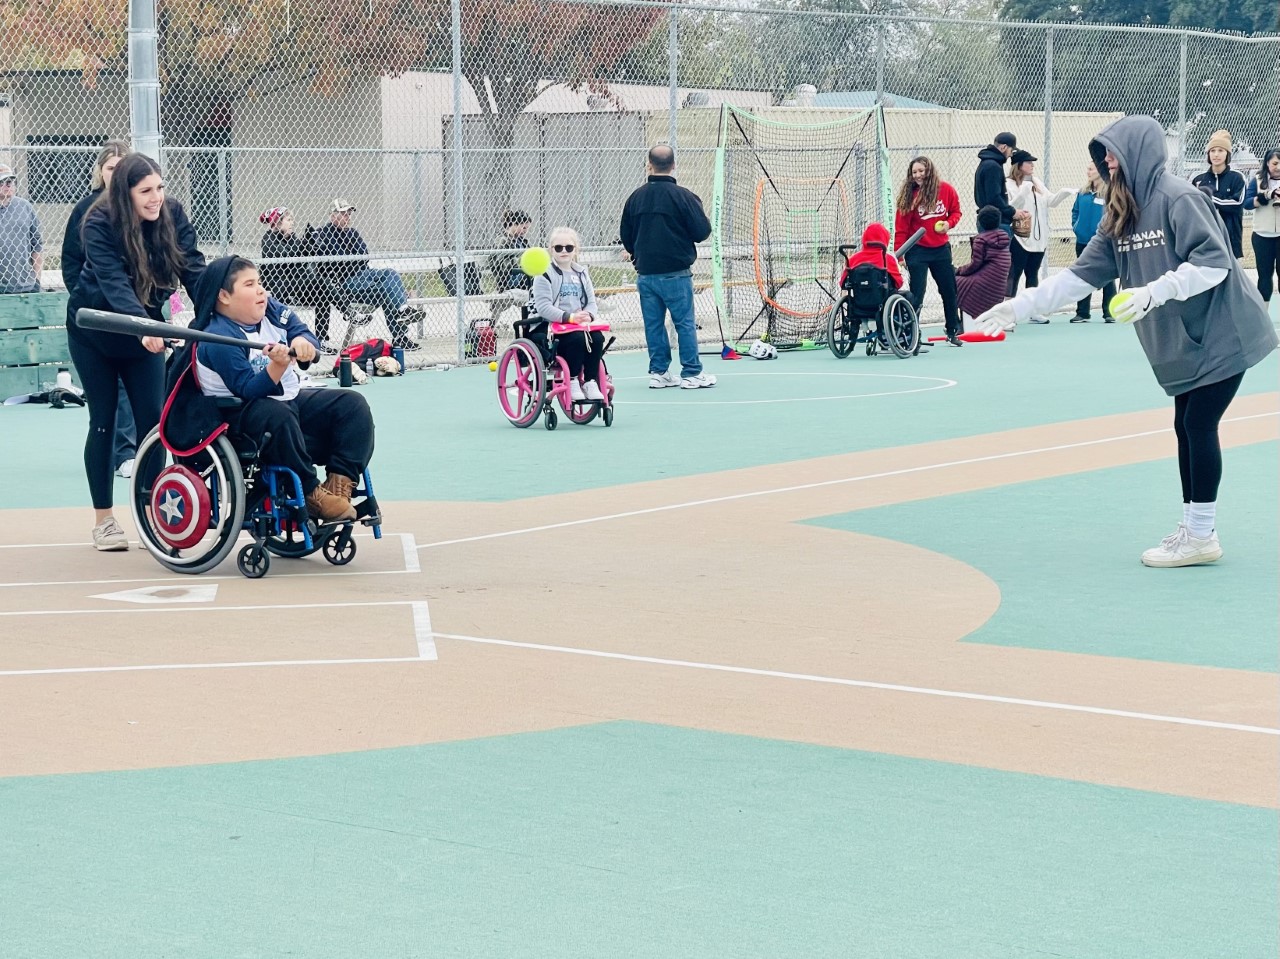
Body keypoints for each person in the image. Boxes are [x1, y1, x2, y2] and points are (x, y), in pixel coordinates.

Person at [976, 115, 1277, 568]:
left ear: (1140, 150)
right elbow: (1077, 278)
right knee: (1185, 425)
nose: (1107, 161)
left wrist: (1155, 290)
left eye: (1113, 151)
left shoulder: (1180, 197)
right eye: (1103, 154)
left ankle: (1201, 535)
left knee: (1197, 424)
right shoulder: (1120, 212)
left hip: (1224, 332)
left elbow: (1214, 263)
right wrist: (1016, 307)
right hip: (1185, 343)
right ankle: (1196, 528)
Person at [66, 153, 207, 551]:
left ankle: (149, 516)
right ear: (125, 194)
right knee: (104, 421)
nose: (156, 197)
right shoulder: (98, 221)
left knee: (153, 424)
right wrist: (141, 324)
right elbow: (113, 283)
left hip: (144, 331)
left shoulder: (172, 215)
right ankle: (104, 521)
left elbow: (193, 269)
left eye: (160, 188)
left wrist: (214, 314)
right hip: (96, 331)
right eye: (145, 191)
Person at [192, 256, 373, 522]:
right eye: (250, 284)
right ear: (224, 296)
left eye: (260, 282)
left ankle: (338, 486)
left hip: (286, 402)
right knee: (277, 414)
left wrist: (302, 341)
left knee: (352, 404)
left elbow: (300, 330)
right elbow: (247, 390)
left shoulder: (271, 308)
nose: (260, 290)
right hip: (236, 417)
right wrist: (277, 367)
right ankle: (311, 493)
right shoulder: (218, 337)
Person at [61, 139, 138, 478]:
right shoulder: (87, 209)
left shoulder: (142, 210)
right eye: (110, 168)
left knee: (137, 388)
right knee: (109, 392)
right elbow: (71, 262)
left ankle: (135, 452)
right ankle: (117, 453)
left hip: (136, 313)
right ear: (101, 172)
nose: (116, 174)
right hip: (98, 318)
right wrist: (88, 297)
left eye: (123, 168)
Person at [620, 144, 716, 390]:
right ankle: (692, 372)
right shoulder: (685, 197)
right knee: (684, 322)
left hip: (646, 273)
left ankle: (659, 372)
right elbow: (702, 231)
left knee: (654, 324)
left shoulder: (635, 197)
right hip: (676, 273)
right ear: (674, 165)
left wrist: (636, 254)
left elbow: (626, 235)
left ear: (648, 164)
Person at [309, 198, 418, 351]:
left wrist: (349, 257)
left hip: (363, 275)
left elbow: (363, 254)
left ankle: (401, 328)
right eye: (343, 214)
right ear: (333, 216)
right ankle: (402, 313)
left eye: (349, 214)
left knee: (390, 276)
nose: (348, 217)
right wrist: (350, 257)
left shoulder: (353, 233)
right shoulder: (323, 234)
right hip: (345, 282)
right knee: (387, 286)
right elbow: (337, 259)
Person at [530, 227, 606, 403]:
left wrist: (588, 315)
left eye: (568, 247)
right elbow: (543, 307)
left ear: (576, 249)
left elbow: (591, 303)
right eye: (558, 247)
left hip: (579, 324)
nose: (564, 251)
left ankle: (589, 381)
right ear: (551, 250)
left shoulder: (581, 272)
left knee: (598, 338)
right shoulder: (544, 274)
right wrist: (570, 317)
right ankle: (571, 380)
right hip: (551, 327)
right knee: (577, 339)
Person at [894, 156, 963, 346]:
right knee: (917, 293)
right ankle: (912, 334)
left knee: (949, 290)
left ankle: (952, 330)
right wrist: (899, 255)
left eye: (921, 171)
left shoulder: (946, 190)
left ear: (929, 171)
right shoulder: (909, 196)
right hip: (917, 250)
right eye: (914, 172)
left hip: (941, 249)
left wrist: (948, 224)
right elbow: (901, 228)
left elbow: (956, 212)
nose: (918, 175)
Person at [1005, 149, 1076, 322]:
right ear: (1019, 165)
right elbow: (1011, 207)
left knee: (1033, 272)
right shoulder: (1009, 184)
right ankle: (1008, 311)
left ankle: (1032, 310)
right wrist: (1024, 191)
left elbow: (1051, 201)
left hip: (1039, 238)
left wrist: (1065, 192)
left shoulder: (1036, 182)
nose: (1032, 165)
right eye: (1028, 162)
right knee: (1015, 273)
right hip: (1021, 237)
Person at [258, 206, 331, 344]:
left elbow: (299, 263)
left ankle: (322, 340)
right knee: (322, 283)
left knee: (324, 295)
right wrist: (302, 246)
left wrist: (309, 244)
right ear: (278, 222)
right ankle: (347, 311)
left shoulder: (291, 239)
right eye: (289, 219)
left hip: (296, 284)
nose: (292, 223)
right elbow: (285, 257)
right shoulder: (268, 239)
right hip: (280, 286)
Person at [1069, 160, 1116, 323]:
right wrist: (1076, 227)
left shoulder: (1110, 192)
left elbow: (1114, 214)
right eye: (1087, 169)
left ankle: (1109, 312)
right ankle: (1082, 312)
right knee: (1082, 275)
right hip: (1082, 240)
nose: (1088, 172)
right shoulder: (1083, 192)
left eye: (1091, 169)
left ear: (1099, 171)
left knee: (1107, 277)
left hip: (1103, 242)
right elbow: (1075, 211)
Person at [1190, 130, 1246, 259]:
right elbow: (1192, 206)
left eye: (1221, 150)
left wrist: (1207, 197)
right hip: (1205, 238)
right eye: (1212, 151)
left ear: (1228, 154)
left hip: (1231, 238)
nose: (1216, 155)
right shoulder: (1198, 179)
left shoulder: (1237, 178)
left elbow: (1237, 204)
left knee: (1232, 277)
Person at [955, 205, 1011, 327]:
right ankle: (964, 321)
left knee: (954, 283)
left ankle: (958, 323)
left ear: (980, 222)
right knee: (960, 282)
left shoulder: (981, 240)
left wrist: (958, 270)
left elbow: (975, 265)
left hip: (985, 283)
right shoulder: (1004, 237)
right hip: (999, 285)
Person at [973, 132, 1028, 237]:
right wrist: (1012, 212)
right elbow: (994, 198)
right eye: (1011, 150)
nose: (1011, 154)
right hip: (995, 222)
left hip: (988, 220)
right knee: (999, 254)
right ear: (1004, 147)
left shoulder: (987, 163)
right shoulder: (993, 166)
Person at [1243, 148, 1280, 304]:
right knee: (1264, 276)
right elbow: (1246, 203)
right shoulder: (1257, 180)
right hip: (1262, 236)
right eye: (1275, 163)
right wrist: (1265, 197)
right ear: (1267, 163)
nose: (1278, 167)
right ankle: (1263, 316)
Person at [0, 163, 43, 294]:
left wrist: (37, 279)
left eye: (10, 181)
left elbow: (37, 244)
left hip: (24, 285)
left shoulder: (24, 206)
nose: (8, 185)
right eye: (2, 181)